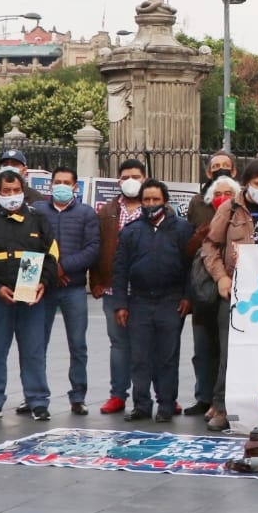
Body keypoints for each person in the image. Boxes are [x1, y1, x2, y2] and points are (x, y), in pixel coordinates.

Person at [201, 159, 258, 432]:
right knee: (230, 352)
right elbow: (211, 245)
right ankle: (221, 407)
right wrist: (221, 277)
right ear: (246, 183)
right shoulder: (230, 209)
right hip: (235, 293)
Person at [0, 169, 61, 421]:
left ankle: (37, 400)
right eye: (6, 192)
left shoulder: (38, 220)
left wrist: (43, 282)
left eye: (16, 191)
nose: (12, 196)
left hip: (30, 298)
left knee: (33, 349)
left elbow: (52, 256)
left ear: (24, 191)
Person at [114, 179, 194, 422]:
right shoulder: (131, 231)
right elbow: (120, 270)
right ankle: (141, 405)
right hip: (138, 301)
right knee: (139, 357)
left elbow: (192, 266)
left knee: (167, 357)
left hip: (171, 301)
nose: (151, 204)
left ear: (165, 202)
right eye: (146, 200)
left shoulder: (182, 229)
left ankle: (166, 405)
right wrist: (121, 304)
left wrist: (187, 297)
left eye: (155, 200)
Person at [33, 166, 100, 415]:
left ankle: (78, 396)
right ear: (51, 185)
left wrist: (64, 268)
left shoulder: (86, 213)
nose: (61, 185)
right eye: (57, 181)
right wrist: (52, 271)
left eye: (66, 182)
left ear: (75, 187)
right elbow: (31, 243)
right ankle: (35, 395)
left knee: (78, 344)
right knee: (37, 343)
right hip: (44, 287)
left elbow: (93, 248)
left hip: (73, 288)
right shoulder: (38, 210)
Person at [93, 159, 149, 416]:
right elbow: (97, 246)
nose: (131, 181)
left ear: (145, 178)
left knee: (151, 344)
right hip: (113, 289)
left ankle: (157, 394)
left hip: (148, 291)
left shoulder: (158, 209)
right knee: (119, 344)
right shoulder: (106, 211)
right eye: (126, 176)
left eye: (136, 176)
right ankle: (118, 395)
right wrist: (95, 279)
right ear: (118, 181)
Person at [185, 175, 238, 416]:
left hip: (228, 292)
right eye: (218, 194)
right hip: (205, 292)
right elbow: (189, 250)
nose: (222, 198)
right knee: (204, 349)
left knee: (228, 350)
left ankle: (222, 401)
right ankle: (204, 398)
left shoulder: (239, 215)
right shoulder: (199, 214)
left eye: (228, 194)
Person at [0, 148, 45, 216]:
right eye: (5, 164)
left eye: (14, 164)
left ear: (24, 170)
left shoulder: (36, 198)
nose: (9, 167)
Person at [185, 151, 237, 228]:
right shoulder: (197, 202)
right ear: (209, 173)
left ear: (233, 172)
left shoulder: (242, 200)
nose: (221, 169)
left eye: (226, 166)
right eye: (216, 166)